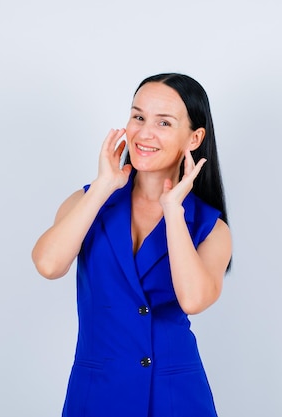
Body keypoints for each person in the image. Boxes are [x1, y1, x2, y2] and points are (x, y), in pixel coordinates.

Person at [32, 73, 232, 417]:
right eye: (138, 117)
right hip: (97, 394)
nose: (145, 132)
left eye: (164, 122)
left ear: (195, 137)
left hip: (174, 397)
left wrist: (173, 211)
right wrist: (103, 186)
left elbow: (194, 299)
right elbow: (48, 265)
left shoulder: (209, 226)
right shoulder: (91, 201)